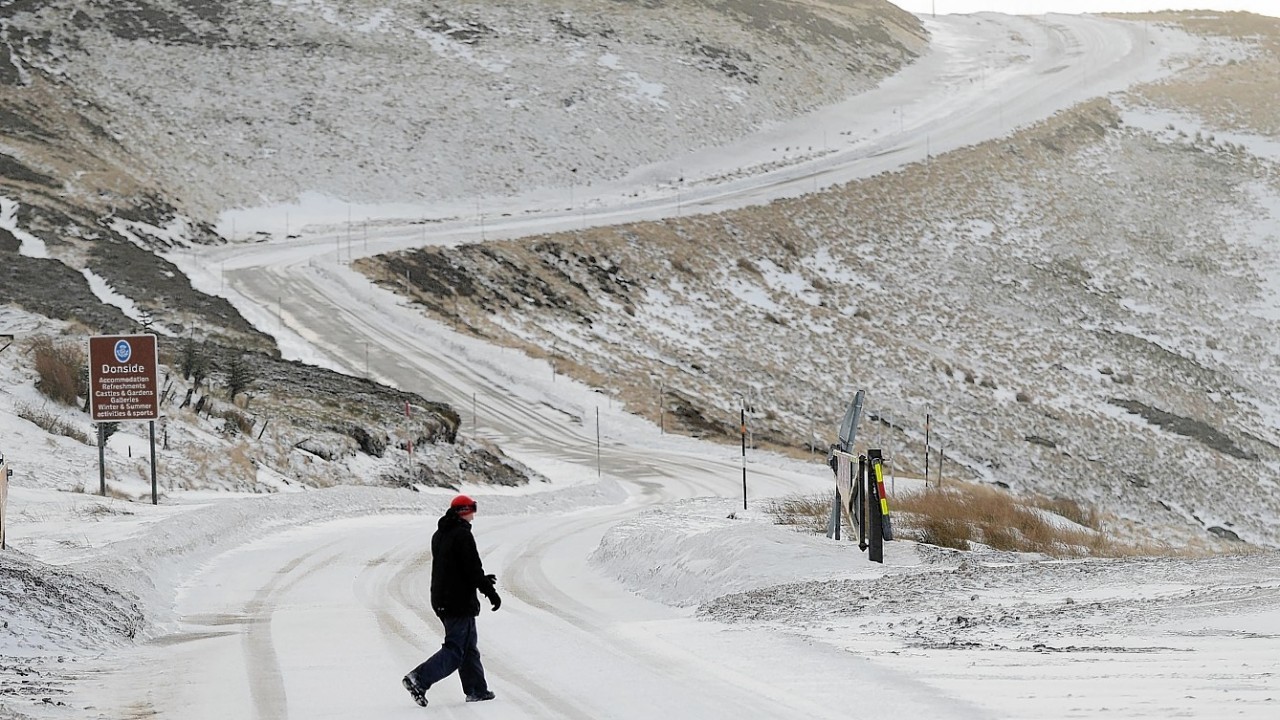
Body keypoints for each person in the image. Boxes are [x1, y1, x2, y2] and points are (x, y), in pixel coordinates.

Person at [402, 494, 502, 707]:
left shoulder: (440, 534)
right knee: (456, 649)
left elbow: (455, 568)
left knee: (468, 647)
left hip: (442, 598)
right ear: (463, 511)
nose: (473, 516)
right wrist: (489, 591)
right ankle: (419, 678)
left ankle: (476, 689)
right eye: (472, 510)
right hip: (458, 601)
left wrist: (482, 581)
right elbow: (472, 568)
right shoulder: (462, 535)